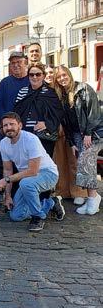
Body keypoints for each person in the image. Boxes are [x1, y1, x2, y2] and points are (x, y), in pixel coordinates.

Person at [0, 112, 64, 232]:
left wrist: (6, 180)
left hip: (48, 174)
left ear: (20, 125)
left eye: (12, 124)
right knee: (16, 216)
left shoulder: (31, 139)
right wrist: (8, 196)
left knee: (26, 183)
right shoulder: (3, 143)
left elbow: (33, 171)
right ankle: (50, 203)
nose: (9, 127)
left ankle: (38, 217)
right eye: (5, 125)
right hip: (27, 178)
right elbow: (8, 170)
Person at [54, 65, 103, 215]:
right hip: (76, 135)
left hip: (93, 133)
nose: (62, 78)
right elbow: (66, 123)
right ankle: (92, 197)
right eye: (59, 77)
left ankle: (93, 198)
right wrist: (71, 142)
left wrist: (89, 133)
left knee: (86, 162)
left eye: (64, 75)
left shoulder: (83, 88)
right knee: (83, 166)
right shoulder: (62, 96)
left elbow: (94, 112)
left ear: (69, 74)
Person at [14, 63, 64, 157]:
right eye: (31, 74)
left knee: (43, 163)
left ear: (43, 76)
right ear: (28, 76)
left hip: (44, 135)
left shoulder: (50, 93)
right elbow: (17, 113)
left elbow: (58, 113)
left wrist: (47, 123)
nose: (35, 77)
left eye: (38, 74)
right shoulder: (22, 92)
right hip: (25, 134)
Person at [0, 51, 29, 119]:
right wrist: (6, 120)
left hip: (30, 122)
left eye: (19, 62)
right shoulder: (4, 83)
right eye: (13, 63)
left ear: (26, 63)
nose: (15, 65)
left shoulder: (33, 80)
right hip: (9, 123)